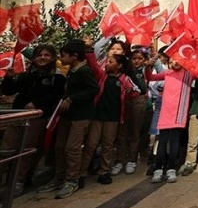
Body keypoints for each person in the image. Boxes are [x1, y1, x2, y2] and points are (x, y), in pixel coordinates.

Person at [0, 45, 65, 197]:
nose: (42, 57)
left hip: (37, 119)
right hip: (17, 116)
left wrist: (37, 104)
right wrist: (8, 78)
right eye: (39, 55)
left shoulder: (57, 76)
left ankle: (19, 181)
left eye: (46, 55)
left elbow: (56, 96)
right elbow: (10, 90)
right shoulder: (27, 74)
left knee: (26, 150)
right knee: (6, 149)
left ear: (53, 57)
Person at [38, 39, 99, 199]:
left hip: (80, 116)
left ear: (74, 56)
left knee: (72, 149)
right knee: (59, 147)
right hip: (67, 115)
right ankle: (59, 177)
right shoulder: (72, 70)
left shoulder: (85, 71)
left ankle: (72, 180)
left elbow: (93, 89)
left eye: (64, 55)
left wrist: (72, 99)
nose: (61, 58)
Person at [80, 53, 134, 187]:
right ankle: (81, 173)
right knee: (90, 145)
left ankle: (104, 172)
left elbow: (135, 91)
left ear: (119, 66)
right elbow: (93, 65)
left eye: (111, 61)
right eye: (107, 61)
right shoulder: (102, 76)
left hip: (113, 118)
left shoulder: (124, 79)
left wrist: (130, 92)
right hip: (97, 116)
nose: (107, 63)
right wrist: (90, 50)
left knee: (108, 145)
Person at [143, 56, 198, 183]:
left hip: (179, 113)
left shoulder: (188, 75)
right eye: (172, 60)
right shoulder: (168, 73)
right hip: (165, 114)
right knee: (162, 142)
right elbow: (150, 77)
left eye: (178, 60)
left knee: (174, 143)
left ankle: (171, 168)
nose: (175, 62)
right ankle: (158, 169)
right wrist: (148, 66)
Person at [111, 49, 149, 176]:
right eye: (134, 59)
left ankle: (132, 160)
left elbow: (143, 88)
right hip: (123, 101)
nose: (137, 61)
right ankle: (120, 160)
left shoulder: (145, 71)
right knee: (122, 132)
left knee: (134, 132)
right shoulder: (124, 72)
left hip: (138, 101)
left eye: (140, 58)